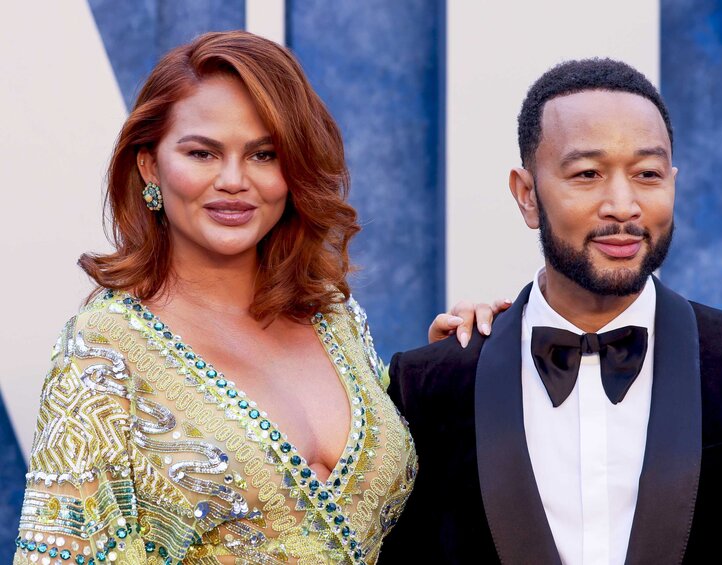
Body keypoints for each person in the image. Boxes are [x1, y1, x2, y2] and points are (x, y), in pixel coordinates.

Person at [12, 31, 492, 565]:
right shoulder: (102, 352)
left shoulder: (334, 316)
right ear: (150, 166)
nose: (235, 181)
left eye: (264, 154)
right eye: (202, 153)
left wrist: (449, 364)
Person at [381, 59, 722, 564]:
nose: (623, 206)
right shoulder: (431, 383)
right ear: (527, 195)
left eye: (647, 174)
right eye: (587, 174)